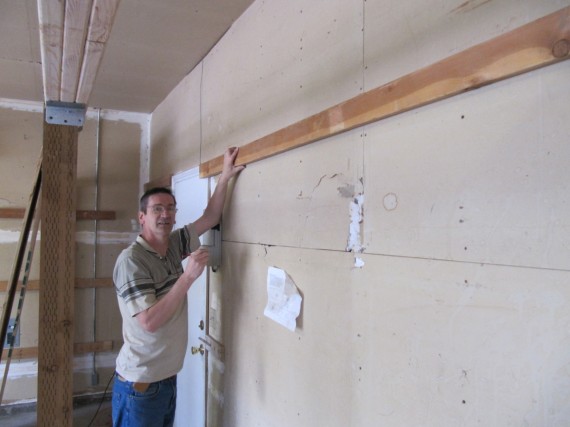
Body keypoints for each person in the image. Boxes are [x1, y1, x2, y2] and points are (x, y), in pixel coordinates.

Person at [112, 147, 245, 426]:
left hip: (166, 380)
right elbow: (149, 321)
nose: (165, 215)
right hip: (141, 386)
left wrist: (224, 178)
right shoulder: (132, 261)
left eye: (170, 208)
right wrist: (187, 278)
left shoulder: (173, 244)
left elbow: (210, 218)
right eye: (157, 209)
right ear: (142, 217)